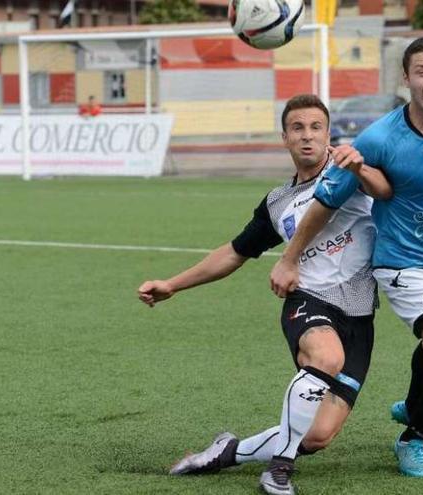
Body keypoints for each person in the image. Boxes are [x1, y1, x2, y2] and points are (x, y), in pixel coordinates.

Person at [270, 37, 423, 478]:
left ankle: (414, 407)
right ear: (406, 79)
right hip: (402, 264)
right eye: (422, 72)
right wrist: (290, 258)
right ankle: (414, 436)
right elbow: (326, 198)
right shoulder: (381, 137)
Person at [137, 94, 391, 495]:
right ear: (284, 138)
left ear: (329, 134)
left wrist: (360, 165)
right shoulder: (277, 203)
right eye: (297, 129)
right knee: (326, 356)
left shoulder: (351, 172)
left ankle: (227, 452)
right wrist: (172, 284)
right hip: (309, 301)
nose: (307, 137)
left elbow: (391, 191)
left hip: (359, 313)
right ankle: (279, 471)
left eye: (315, 128)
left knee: (318, 435)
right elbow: (234, 252)